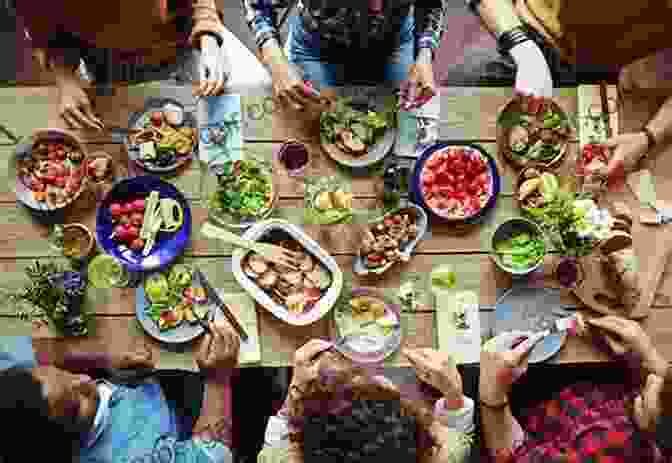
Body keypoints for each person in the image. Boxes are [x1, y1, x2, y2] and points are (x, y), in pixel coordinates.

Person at [465, 0, 672, 179]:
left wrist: (647, 137)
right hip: (531, 36)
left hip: (606, 72)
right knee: (465, 84)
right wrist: (525, 51)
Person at [0, 320, 240, 463]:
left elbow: (37, 351)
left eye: (63, 374)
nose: (86, 380)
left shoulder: (11, 383)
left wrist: (102, 359)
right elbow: (213, 455)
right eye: (78, 406)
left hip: (145, 384)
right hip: (185, 420)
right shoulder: (134, 456)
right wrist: (218, 381)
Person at [14, 0, 269, 130]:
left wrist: (209, 38)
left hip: (186, 40)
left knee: (259, 89)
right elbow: (42, 30)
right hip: (111, 65)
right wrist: (65, 79)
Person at [480, 315, 672, 462]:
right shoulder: (656, 406)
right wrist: (650, 359)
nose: (654, 378)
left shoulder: (608, 449)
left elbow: (513, 458)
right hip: (564, 407)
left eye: (657, 394)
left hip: (525, 434)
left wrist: (492, 395)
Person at [257, 340, 476, 463]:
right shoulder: (446, 454)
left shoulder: (279, 459)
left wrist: (296, 390)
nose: (381, 380)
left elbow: (276, 443)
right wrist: (452, 391)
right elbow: (458, 440)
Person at [242, 0, 447, 111]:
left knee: (410, 122)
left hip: (393, 42)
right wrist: (276, 62)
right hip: (315, 50)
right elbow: (258, 5)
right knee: (306, 123)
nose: (377, 7)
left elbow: (432, 5)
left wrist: (425, 54)